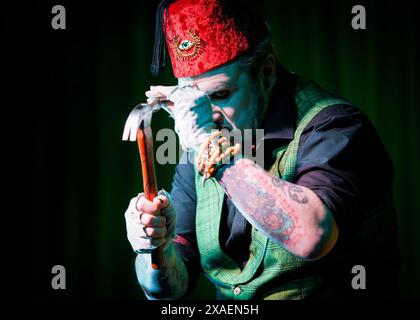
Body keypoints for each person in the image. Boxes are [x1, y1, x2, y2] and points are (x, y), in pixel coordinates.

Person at [124, 0, 400, 300]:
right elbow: (168, 290)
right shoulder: (203, 138)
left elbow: (312, 237)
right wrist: (156, 249)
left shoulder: (336, 128)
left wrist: (206, 144)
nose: (207, 114)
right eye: (193, 102)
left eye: (220, 94)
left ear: (267, 72)